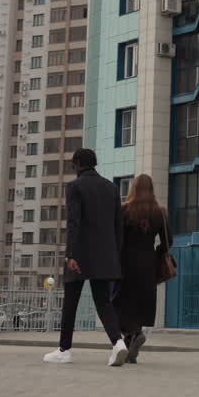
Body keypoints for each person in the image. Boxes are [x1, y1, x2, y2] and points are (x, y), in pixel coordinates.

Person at [43, 148, 129, 366]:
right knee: (103, 302)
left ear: (78, 164)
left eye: (73, 165)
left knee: (70, 302)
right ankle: (118, 343)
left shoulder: (75, 187)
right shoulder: (111, 188)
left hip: (79, 256)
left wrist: (71, 254)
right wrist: (115, 255)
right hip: (106, 255)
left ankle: (64, 350)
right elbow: (118, 226)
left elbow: (74, 222)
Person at [112, 174, 171, 364]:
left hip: (126, 263)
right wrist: (156, 254)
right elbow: (168, 241)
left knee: (119, 304)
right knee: (140, 304)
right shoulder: (160, 212)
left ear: (133, 188)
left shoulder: (124, 210)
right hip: (148, 264)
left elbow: (117, 239)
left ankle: (133, 334)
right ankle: (133, 338)